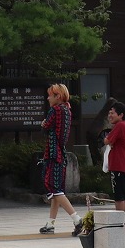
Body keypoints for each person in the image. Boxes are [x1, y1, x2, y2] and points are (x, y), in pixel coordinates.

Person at [37, 83, 75, 233]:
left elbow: (45, 127)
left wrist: (43, 124)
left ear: (57, 96)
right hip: (61, 153)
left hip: (53, 154)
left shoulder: (55, 110)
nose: (48, 98)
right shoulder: (67, 110)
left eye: (50, 95)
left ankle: (77, 219)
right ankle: (50, 223)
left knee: (54, 188)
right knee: (56, 190)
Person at [102, 100, 125, 229]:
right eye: (109, 113)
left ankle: (118, 223)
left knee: (118, 196)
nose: (110, 116)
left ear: (121, 114)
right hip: (124, 164)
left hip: (118, 164)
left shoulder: (120, 126)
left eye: (112, 113)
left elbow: (107, 140)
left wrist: (108, 139)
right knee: (124, 195)